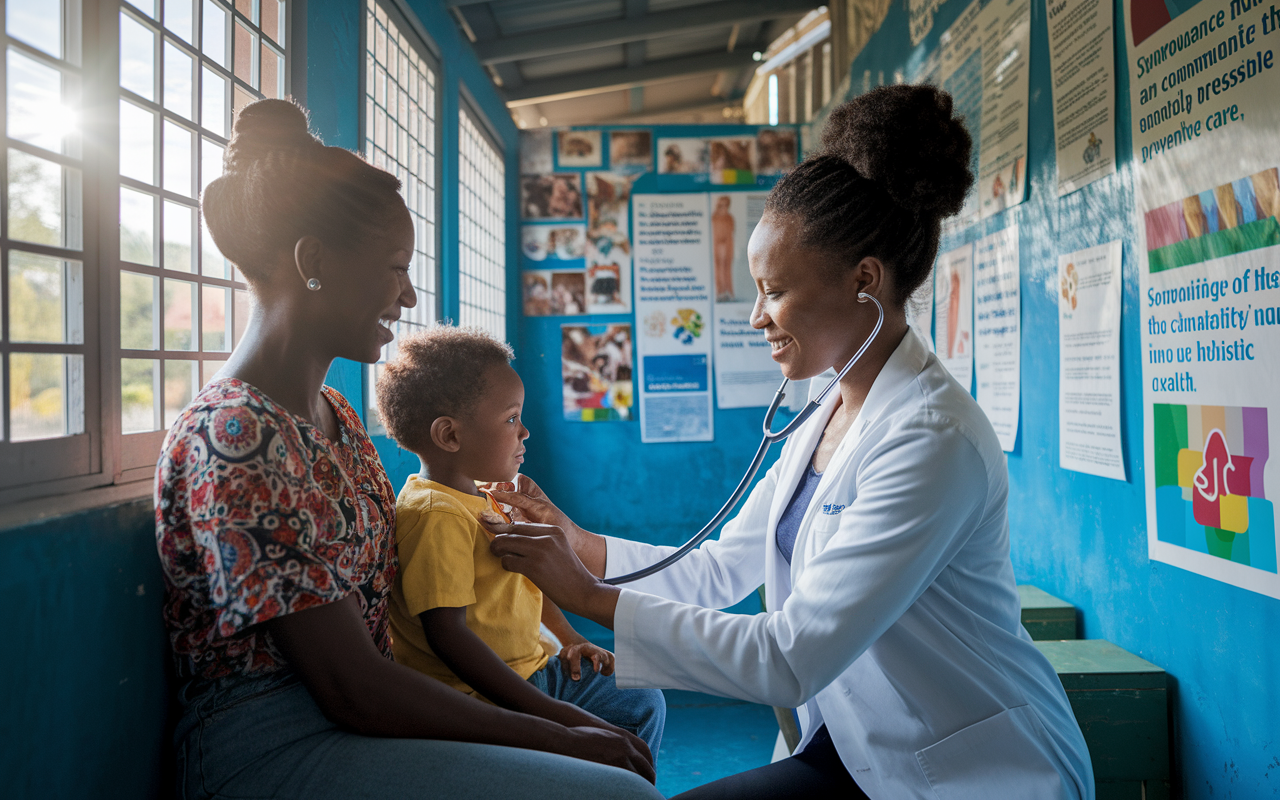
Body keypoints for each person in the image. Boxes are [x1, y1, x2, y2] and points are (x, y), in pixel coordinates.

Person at [483, 85, 1095, 799]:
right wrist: (571, 537)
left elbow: (789, 657)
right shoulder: (825, 407)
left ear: (864, 280)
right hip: (852, 742)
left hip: (967, 768)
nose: (755, 317)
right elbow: (716, 570)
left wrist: (584, 595)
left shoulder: (934, 440)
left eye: (773, 291)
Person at [154, 98, 658, 800]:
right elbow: (349, 687)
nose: (410, 294)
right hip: (274, 741)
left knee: (626, 719)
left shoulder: (334, 417)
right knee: (616, 789)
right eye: (395, 268)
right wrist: (560, 734)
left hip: (363, 711)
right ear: (314, 261)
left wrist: (562, 717)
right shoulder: (237, 434)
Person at [371, 326, 665, 756]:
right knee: (636, 707)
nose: (525, 432)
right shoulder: (436, 514)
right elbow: (448, 637)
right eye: (511, 419)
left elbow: (528, 584)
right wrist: (560, 717)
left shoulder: (484, 496)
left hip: (533, 664)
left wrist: (570, 639)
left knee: (639, 697)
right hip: (487, 694)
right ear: (450, 436)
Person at [711, 195, 735, 302]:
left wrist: (725, 246)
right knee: (717, 268)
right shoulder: (714, 218)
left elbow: (731, 232)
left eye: (725, 206)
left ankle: (728, 292)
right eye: (720, 205)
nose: (722, 208)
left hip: (727, 245)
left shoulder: (729, 218)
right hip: (716, 246)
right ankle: (719, 292)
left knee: (726, 269)